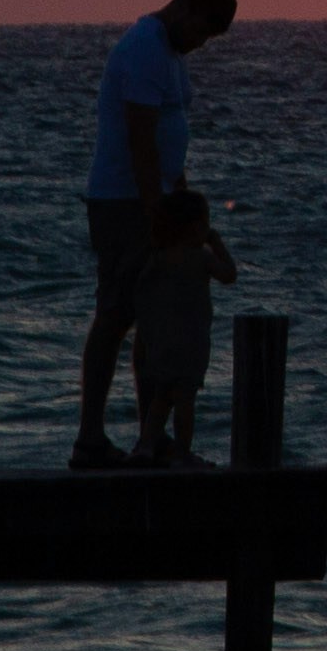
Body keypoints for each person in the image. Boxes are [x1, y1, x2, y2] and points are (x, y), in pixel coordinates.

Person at [75, 0, 238, 465]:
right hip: (126, 203)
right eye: (202, 31)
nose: (201, 44)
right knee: (115, 316)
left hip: (155, 200)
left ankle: (151, 438)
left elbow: (167, 141)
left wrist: (179, 191)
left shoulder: (167, 54)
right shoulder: (145, 48)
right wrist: (156, 215)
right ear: (184, 6)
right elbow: (141, 140)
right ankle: (90, 439)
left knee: (154, 321)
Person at [126, 188, 239, 467]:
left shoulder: (159, 258)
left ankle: (146, 445)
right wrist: (217, 243)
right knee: (185, 399)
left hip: (162, 340)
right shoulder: (201, 257)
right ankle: (181, 452)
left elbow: (141, 291)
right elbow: (229, 275)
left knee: (161, 397)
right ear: (195, 227)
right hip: (191, 342)